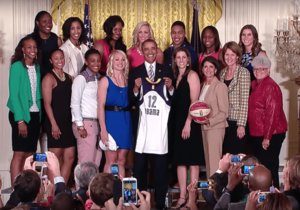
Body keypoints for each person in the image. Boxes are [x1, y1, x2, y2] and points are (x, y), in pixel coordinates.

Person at [128, 39, 174, 210]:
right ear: (142, 50)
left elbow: (172, 99)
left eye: (152, 49)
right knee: (140, 167)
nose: (149, 51)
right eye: (146, 49)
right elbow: (130, 99)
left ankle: (160, 204)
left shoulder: (166, 70)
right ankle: (139, 202)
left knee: (161, 170)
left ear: (157, 51)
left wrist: (170, 88)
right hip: (142, 129)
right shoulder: (135, 72)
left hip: (161, 130)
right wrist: (134, 88)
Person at [169, 47, 202, 209]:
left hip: (190, 123)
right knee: (180, 162)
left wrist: (188, 123)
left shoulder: (192, 75)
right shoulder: (176, 76)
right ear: (175, 60)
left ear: (188, 59)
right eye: (178, 57)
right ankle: (182, 197)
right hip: (177, 123)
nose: (181, 60)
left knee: (192, 163)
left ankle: (192, 200)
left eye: (184, 57)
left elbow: (194, 103)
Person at [7, 36, 42, 189]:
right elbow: (14, 96)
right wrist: (20, 120)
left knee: (29, 155)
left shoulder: (37, 67)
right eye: (29, 47)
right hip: (20, 115)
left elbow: (38, 94)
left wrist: (39, 120)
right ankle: (16, 191)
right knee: (19, 154)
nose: (32, 50)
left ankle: (27, 189)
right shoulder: (16, 67)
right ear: (22, 49)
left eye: (34, 47)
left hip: (34, 114)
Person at [248, 55, 287, 189]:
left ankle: (273, 198)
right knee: (263, 168)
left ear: (269, 70)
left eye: (262, 69)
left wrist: (267, 137)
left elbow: (272, 114)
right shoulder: (256, 85)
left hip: (271, 134)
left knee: (269, 167)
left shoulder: (270, 86)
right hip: (259, 133)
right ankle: (265, 197)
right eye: (256, 69)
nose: (258, 72)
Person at [42, 49, 76, 183]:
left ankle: (60, 189)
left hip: (68, 121)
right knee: (54, 158)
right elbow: (46, 103)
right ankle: (51, 194)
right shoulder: (49, 78)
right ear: (51, 61)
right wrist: (53, 124)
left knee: (70, 156)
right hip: (55, 122)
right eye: (56, 58)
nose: (59, 61)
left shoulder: (68, 78)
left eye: (61, 57)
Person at [98, 50, 132, 177]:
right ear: (111, 62)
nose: (120, 62)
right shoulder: (105, 81)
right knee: (111, 161)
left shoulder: (129, 81)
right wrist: (103, 130)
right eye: (117, 59)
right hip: (110, 121)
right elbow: (100, 107)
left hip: (126, 121)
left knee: (122, 161)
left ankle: (121, 193)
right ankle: (107, 193)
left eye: (123, 59)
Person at [196, 56, 228, 178]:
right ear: (202, 69)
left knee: (214, 163)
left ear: (215, 70)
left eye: (211, 67)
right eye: (205, 67)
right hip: (205, 128)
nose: (208, 70)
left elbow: (224, 112)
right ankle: (211, 192)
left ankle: (215, 193)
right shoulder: (203, 85)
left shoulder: (220, 86)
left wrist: (209, 121)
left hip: (215, 128)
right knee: (208, 163)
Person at [214, 164, 299, 210]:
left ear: (249, 185)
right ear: (272, 183)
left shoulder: (236, 207)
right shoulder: (292, 202)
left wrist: (229, 187)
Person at [71, 48, 102, 166]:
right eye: (92, 61)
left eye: (98, 61)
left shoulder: (99, 79)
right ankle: (81, 185)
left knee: (96, 162)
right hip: (86, 123)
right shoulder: (81, 78)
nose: (96, 64)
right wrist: (80, 126)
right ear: (86, 62)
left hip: (97, 123)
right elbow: (75, 103)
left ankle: (92, 185)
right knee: (85, 162)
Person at [219, 41, 251, 155]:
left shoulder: (243, 72)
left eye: (232, 55)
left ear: (237, 56)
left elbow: (244, 101)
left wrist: (241, 125)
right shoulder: (222, 73)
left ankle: (236, 174)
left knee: (237, 157)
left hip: (236, 121)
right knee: (225, 156)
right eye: (227, 55)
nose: (229, 57)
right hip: (223, 121)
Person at [29, 11, 62, 79]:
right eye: (44, 21)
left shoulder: (56, 40)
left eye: (50, 21)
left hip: (53, 79)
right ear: (37, 23)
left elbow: (61, 60)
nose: (48, 24)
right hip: (34, 78)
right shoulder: (30, 40)